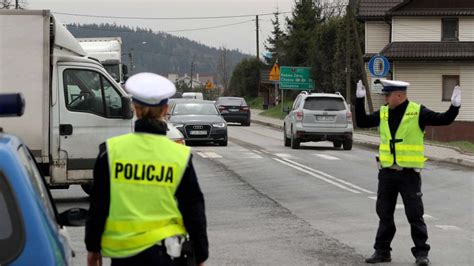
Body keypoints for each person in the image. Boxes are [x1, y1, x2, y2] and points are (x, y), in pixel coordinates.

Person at [85, 72, 209, 266]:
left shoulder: (110, 151)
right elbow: (193, 207)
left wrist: (92, 248)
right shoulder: (179, 155)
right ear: (165, 110)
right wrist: (201, 254)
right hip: (166, 255)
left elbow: (99, 205)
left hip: (124, 256)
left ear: (135, 109)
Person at [355, 79, 461, 266]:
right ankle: (382, 252)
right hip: (387, 173)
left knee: (414, 214)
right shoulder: (384, 112)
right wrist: (359, 100)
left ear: (398, 95)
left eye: (387, 95)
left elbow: (443, 119)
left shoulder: (417, 111)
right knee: (384, 214)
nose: (385, 98)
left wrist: (454, 107)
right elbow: (362, 122)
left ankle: (421, 254)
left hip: (409, 175)